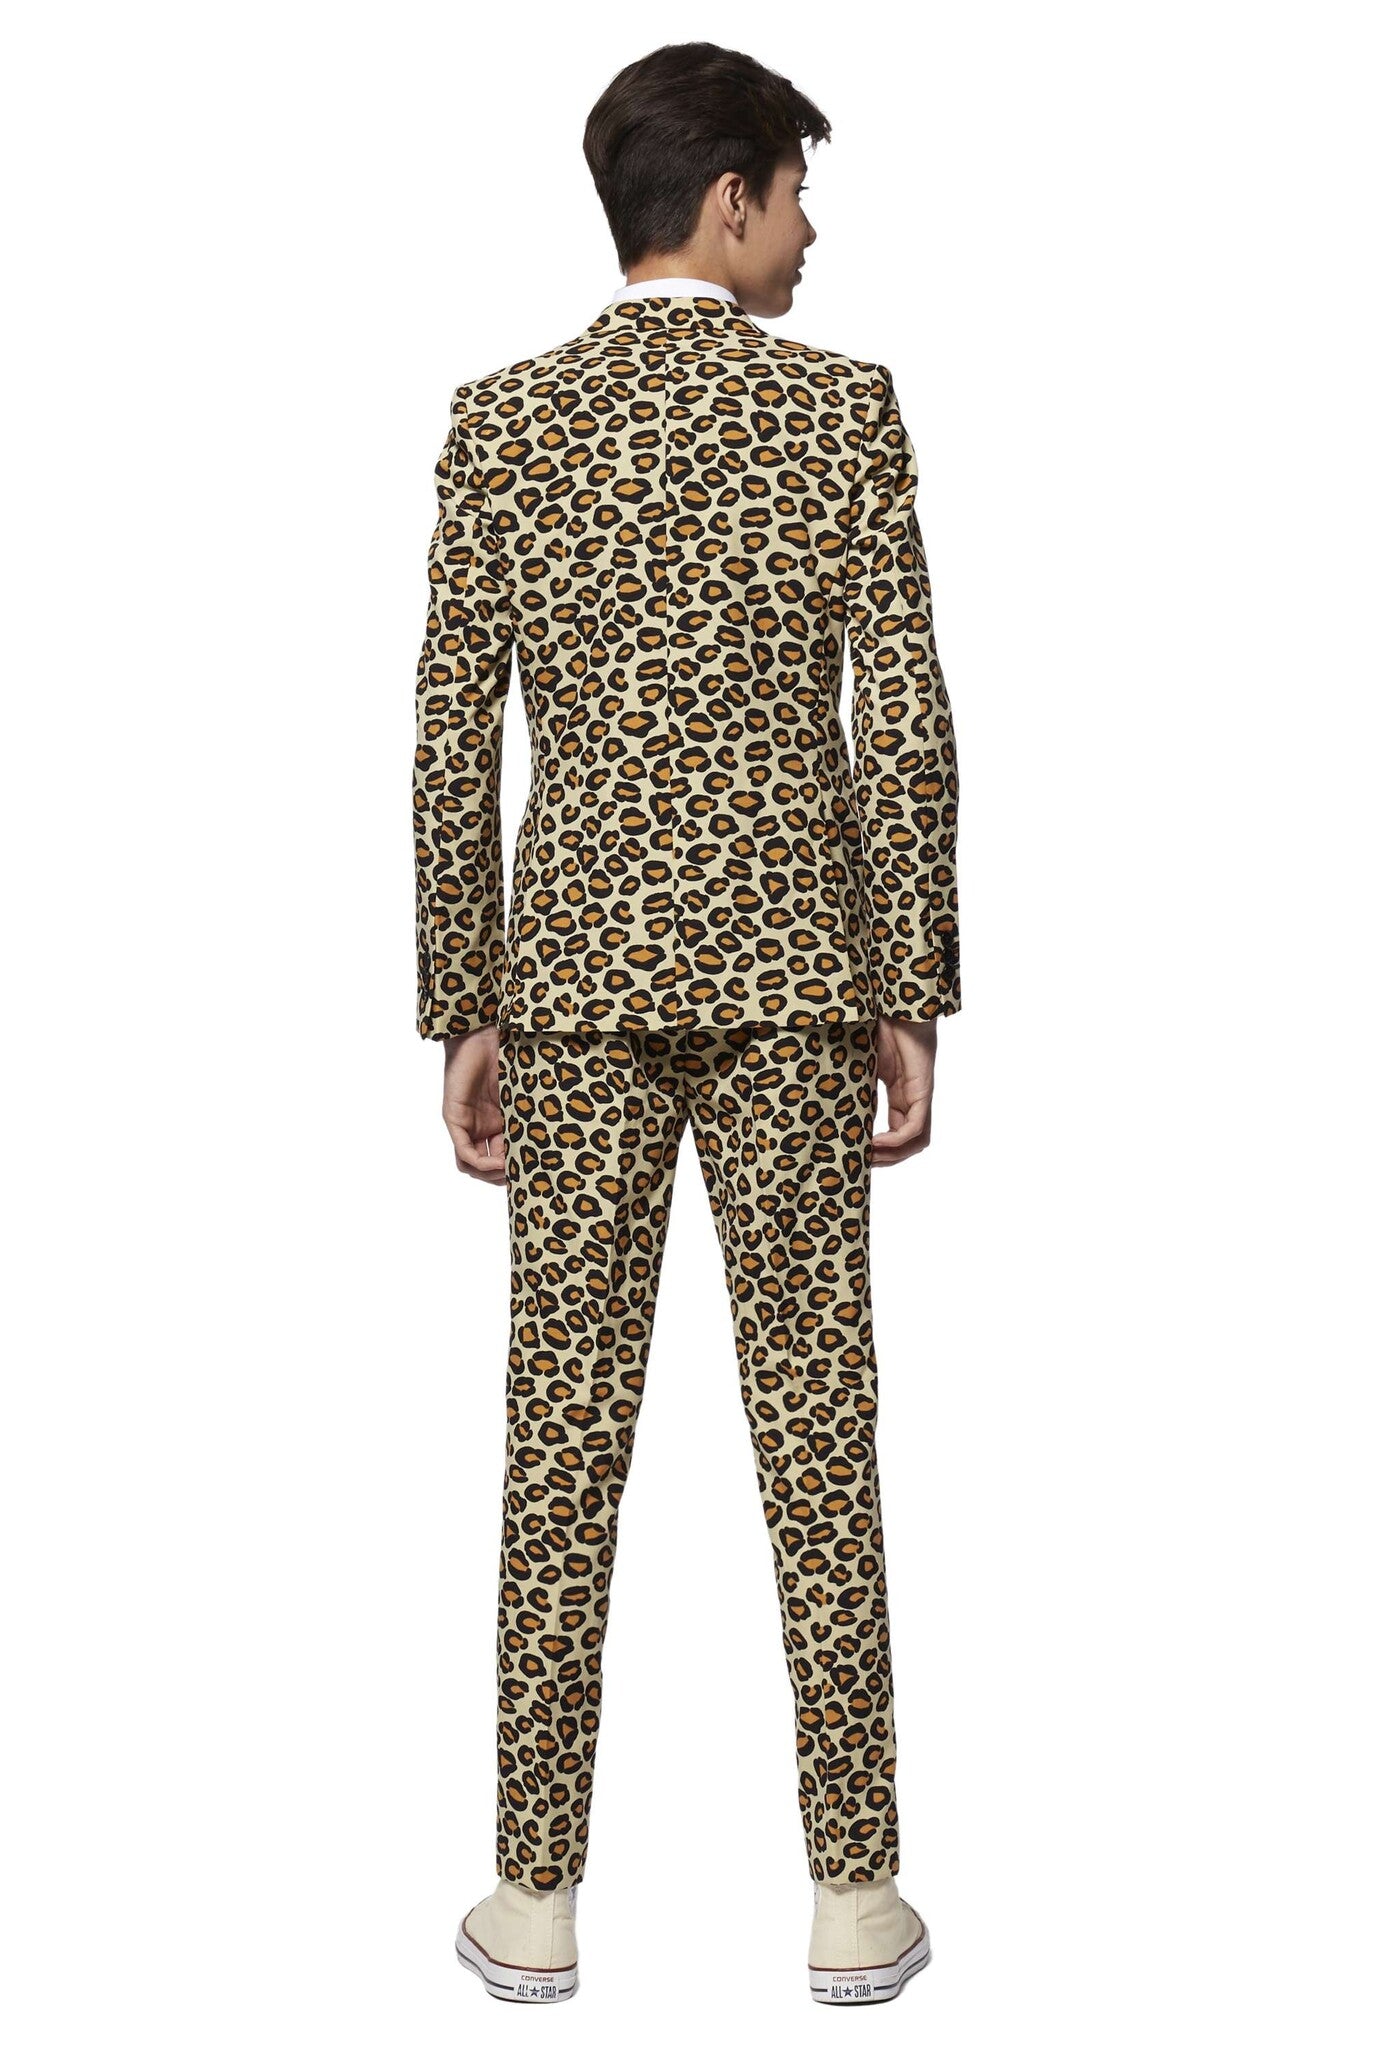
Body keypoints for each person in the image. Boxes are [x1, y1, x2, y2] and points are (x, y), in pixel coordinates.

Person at [413, 39, 960, 2007]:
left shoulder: (504, 423)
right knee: (818, 1426)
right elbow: (904, 718)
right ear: (726, 200)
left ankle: (534, 1899)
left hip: (568, 987)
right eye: (796, 193)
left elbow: (447, 735)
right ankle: (855, 1896)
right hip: (801, 984)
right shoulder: (841, 412)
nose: (809, 232)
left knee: (560, 1437)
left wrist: (461, 1000)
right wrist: (911, 981)